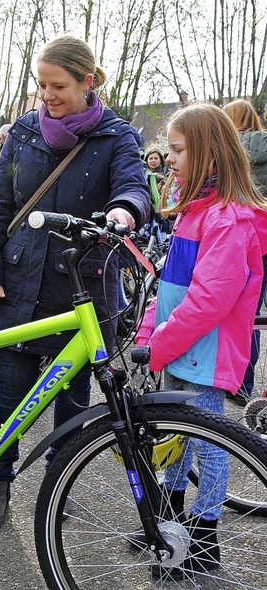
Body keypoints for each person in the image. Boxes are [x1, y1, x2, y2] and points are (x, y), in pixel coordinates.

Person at [0, 34, 150, 532]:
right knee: (10, 395)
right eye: (41, 85)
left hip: (82, 283)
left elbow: (135, 187)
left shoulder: (117, 136)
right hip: (18, 283)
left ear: (87, 82)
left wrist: (124, 209)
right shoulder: (24, 132)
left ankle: (56, 484)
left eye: (58, 86)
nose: (46, 95)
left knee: (71, 402)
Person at [135, 101, 267, 577]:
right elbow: (169, 290)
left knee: (210, 445)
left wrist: (160, 345)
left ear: (209, 155)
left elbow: (210, 299)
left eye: (177, 150)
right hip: (181, 346)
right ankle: (170, 523)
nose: (168, 158)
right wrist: (148, 334)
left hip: (205, 356)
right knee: (179, 438)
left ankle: (205, 539)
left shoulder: (227, 220)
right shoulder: (194, 212)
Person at [223, 98, 267, 404]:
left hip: (242, 237)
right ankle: (250, 388)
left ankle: (234, 379)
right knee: (258, 314)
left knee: (238, 311)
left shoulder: (227, 147)